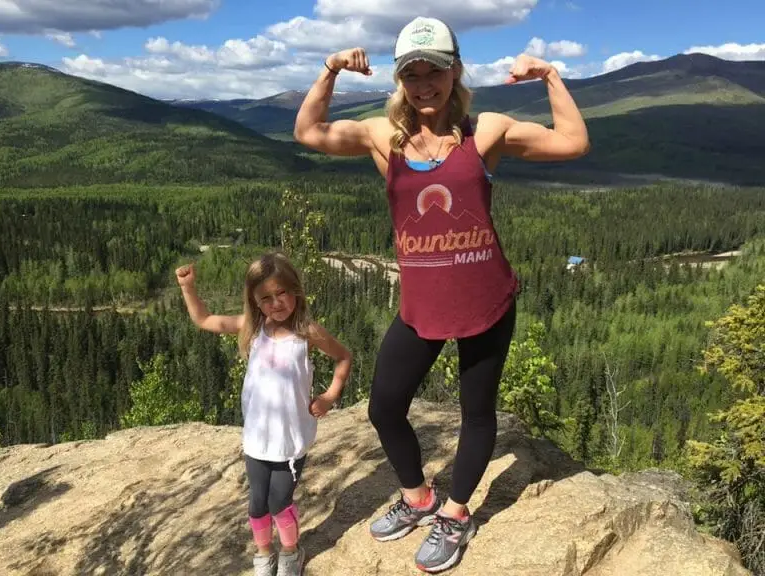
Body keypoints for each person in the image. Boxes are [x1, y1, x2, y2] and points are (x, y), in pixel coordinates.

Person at [294, 15, 589, 573]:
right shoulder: (385, 138)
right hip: (422, 305)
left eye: (436, 71)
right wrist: (329, 69)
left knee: (478, 413)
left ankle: (455, 514)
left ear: (455, 72)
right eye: (413, 74)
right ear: (400, 80)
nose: (425, 83)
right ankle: (418, 499)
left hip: (486, 299)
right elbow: (308, 133)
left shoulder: (488, 130)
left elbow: (574, 142)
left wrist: (550, 74)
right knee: (384, 407)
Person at [175, 251, 352, 576]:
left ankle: (289, 552)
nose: (276, 303)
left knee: (279, 503)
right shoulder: (252, 329)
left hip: (290, 442)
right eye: (266, 297)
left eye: (282, 293)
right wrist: (188, 288)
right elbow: (205, 319)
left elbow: (344, 357)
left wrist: (329, 395)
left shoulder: (307, 332)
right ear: (254, 301)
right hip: (256, 442)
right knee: (257, 504)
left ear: (295, 291)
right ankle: (263, 554)